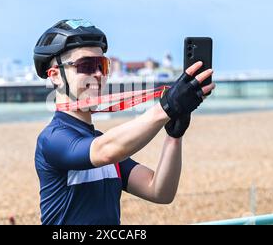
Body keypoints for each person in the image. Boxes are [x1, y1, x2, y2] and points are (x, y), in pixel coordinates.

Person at [34, 19, 216, 225]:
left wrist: (174, 136)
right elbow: (105, 151)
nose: (97, 74)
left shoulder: (100, 142)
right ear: (55, 75)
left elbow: (160, 191)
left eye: (101, 65)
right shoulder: (52, 139)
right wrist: (166, 108)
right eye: (86, 66)